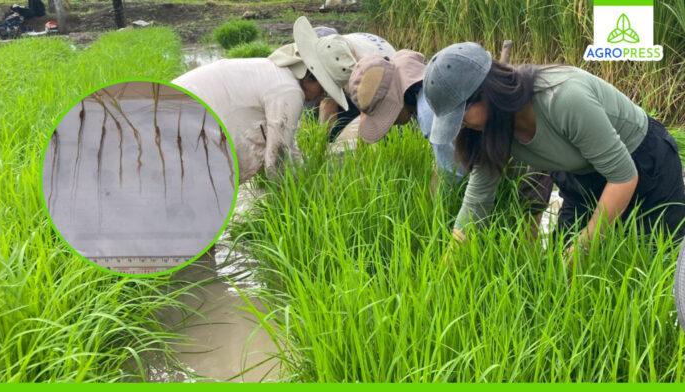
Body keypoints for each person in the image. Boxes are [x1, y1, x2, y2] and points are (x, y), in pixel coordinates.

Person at [424, 42, 685, 251]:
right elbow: (476, 205)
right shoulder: (488, 130)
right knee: (560, 271)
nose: (460, 127)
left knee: (654, 259)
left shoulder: (563, 98)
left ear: (486, 93)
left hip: (644, 162)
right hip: (582, 176)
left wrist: (584, 246)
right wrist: (442, 281)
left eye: (461, 116)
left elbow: (623, 177)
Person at [348, 49, 553, 233]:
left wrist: (435, 215)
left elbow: (454, 175)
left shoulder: (430, 114)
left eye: (383, 114)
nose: (389, 124)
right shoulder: (430, 93)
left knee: (523, 244)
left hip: (524, 169)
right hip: (521, 152)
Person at [171, 38, 356, 184]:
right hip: (180, 128)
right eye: (324, 89)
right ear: (312, 76)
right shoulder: (288, 90)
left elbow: (287, 144)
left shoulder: (274, 72)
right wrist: (300, 198)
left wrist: (307, 169)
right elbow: (277, 161)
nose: (321, 97)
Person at [268, 16, 396, 141]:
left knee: (373, 129)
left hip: (382, 74)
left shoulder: (359, 75)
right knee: (311, 105)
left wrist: (323, 146)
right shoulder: (322, 50)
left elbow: (332, 104)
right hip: (361, 49)